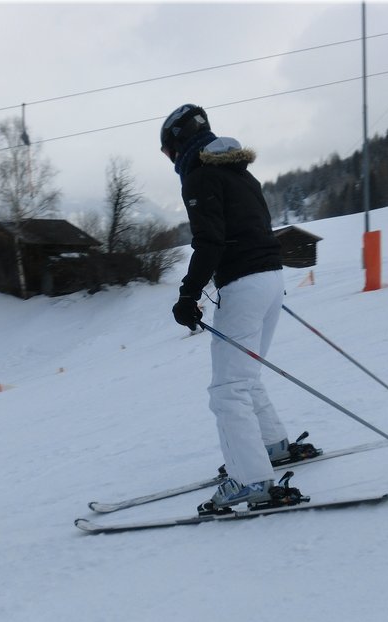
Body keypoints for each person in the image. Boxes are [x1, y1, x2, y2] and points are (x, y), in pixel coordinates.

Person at [160, 103, 299, 512]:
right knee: (245, 376)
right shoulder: (241, 173)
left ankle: (251, 479)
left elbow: (210, 241)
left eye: (167, 151)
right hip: (270, 279)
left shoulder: (200, 177)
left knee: (227, 390)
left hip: (244, 285)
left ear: (178, 144)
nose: (170, 160)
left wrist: (188, 295)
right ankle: (272, 446)